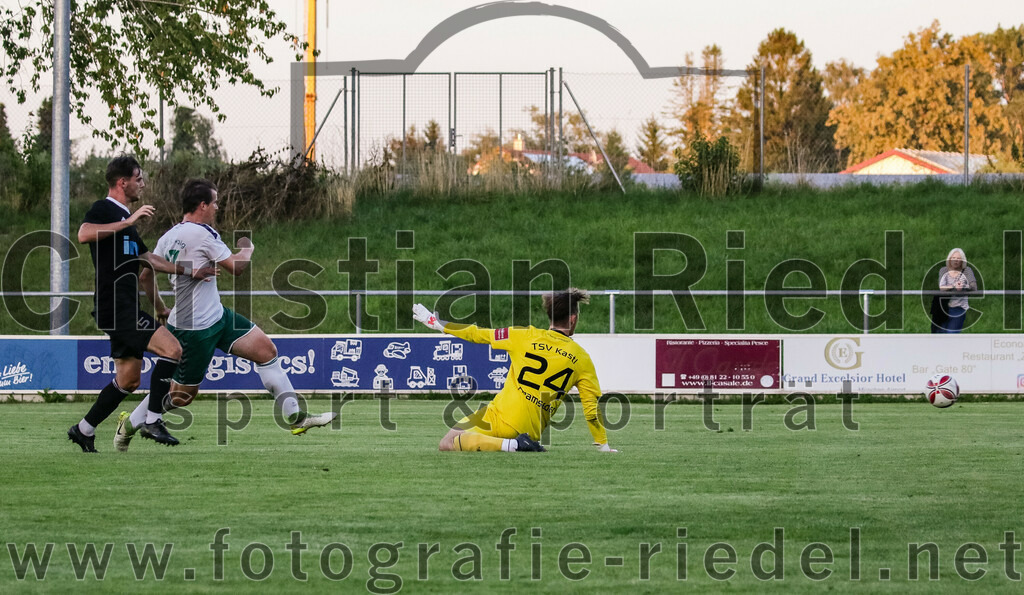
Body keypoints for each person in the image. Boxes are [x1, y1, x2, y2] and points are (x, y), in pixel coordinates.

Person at [114, 179, 335, 451]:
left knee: (266, 350)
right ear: (202, 205)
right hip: (193, 329)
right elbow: (237, 268)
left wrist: (159, 307)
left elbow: (146, 274)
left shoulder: (168, 236)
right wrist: (247, 248)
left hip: (217, 317)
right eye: (215, 202)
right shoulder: (203, 234)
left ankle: (295, 418)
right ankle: (130, 424)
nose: (217, 207)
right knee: (181, 397)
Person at [68, 156, 216, 453]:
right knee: (173, 349)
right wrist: (128, 221)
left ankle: (83, 429)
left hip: (124, 306)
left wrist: (189, 272)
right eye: (139, 178)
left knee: (129, 379)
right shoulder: (106, 210)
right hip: (116, 307)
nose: (143, 184)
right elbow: (83, 234)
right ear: (122, 182)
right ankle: (153, 418)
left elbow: (150, 261)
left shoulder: (127, 224)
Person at [413, 288, 617, 453]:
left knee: (449, 443)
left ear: (550, 315)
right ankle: (517, 444)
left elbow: (478, 334)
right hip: (523, 426)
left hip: (501, 416)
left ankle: (513, 445)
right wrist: (603, 444)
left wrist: (438, 325)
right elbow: (591, 411)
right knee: (450, 441)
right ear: (573, 319)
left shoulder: (523, 335)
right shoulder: (582, 358)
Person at [937, 248, 977, 333]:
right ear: (949, 259)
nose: (956, 261)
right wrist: (954, 286)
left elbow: (973, 287)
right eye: (954, 258)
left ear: (962, 261)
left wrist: (963, 287)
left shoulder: (967, 270)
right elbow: (941, 287)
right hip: (943, 307)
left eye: (958, 259)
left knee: (952, 335)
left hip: (959, 308)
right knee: (939, 335)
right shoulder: (943, 270)